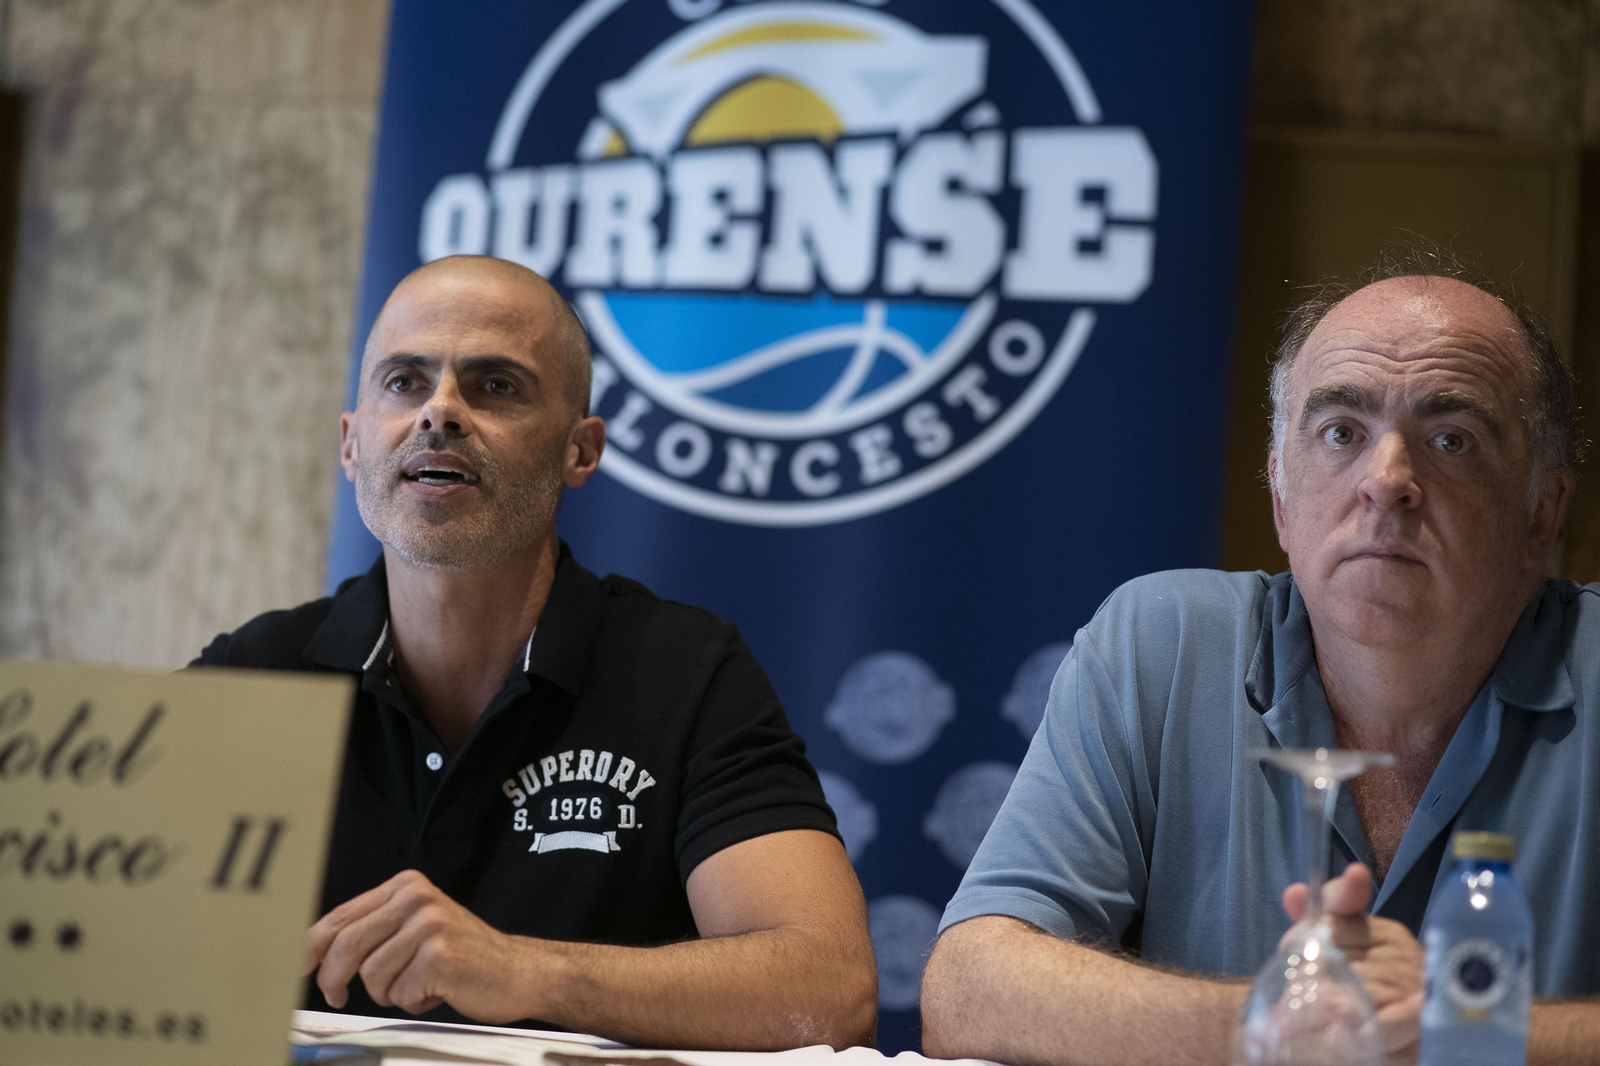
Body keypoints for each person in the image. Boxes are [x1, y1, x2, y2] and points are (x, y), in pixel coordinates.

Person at [920, 252, 1600, 1066]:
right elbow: (969, 988)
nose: (1387, 481)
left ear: (1542, 511)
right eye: (1341, 432)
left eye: (1450, 439)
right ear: (1281, 494)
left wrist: (1455, 1032)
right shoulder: (1163, 642)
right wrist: (1283, 1022)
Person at [193, 255, 876, 1050]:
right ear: (352, 446)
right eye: (404, 382)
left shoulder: (686, 673)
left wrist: (528, 972)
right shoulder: (253, 673)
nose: (438, 412)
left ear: (579, 452)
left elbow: (830, 986)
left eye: (495, 386)